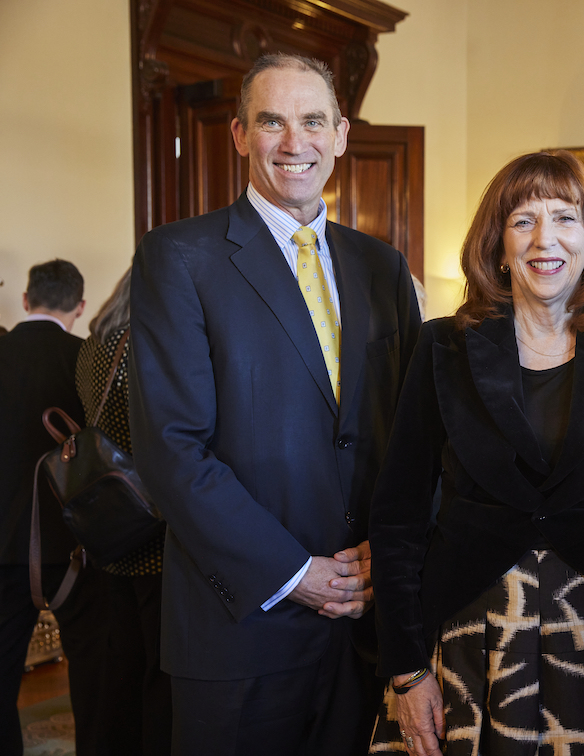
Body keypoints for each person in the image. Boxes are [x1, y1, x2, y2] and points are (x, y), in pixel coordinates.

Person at [129, 53, 421, 754]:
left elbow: (412, 432)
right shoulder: (179, 258)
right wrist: (297, 575)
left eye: (313, 120)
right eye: (272, 122)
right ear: (239, 135)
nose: (296, 143)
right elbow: (172, 449)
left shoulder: (382, 266)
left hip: (367, 624)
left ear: (341, 134)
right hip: (240, 631)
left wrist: (389, 553)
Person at [369, 150, 584, 756]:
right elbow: (398, 517)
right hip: (473, 635)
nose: (545, 238)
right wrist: (407, 667)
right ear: (498, 244)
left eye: (564, 218)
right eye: (523, 220)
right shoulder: (443, 346)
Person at [0, 260, 105, 755]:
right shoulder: (88, 357)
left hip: (2, 545)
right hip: (74, 545)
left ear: (25, 300)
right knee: (93, 676)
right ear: (80, 307)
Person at [75, 266, 172, 756]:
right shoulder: (144, 346)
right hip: (150, 522)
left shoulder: (93, 342)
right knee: (158, 668)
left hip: (109, 524)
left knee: (120, 660)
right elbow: (158, 436)